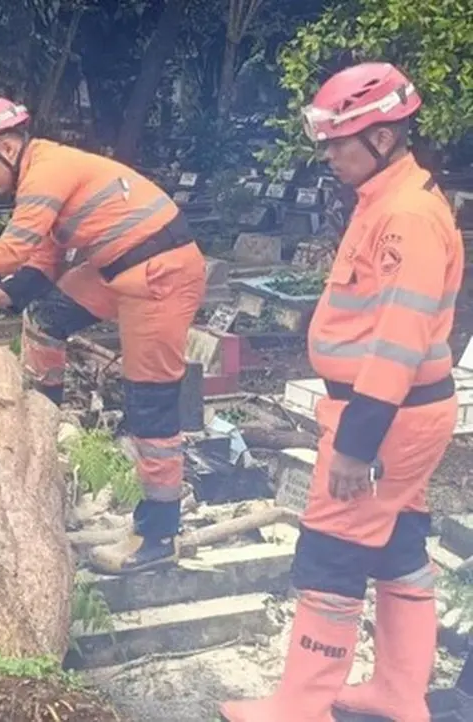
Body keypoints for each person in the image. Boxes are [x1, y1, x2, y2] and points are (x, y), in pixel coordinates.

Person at [220, 62, 461, 722]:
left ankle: (301, 707)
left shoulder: (406, 216)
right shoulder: (387, 201)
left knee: (331, 546)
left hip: (385, 416)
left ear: (382, 138)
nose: (328, 155)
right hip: (397, 411)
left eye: (338, 142)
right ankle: (398, 692)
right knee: (397, 542)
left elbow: (398, 341)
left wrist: (357, 443)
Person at [0, 98, 206, 575]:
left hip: (159, 272)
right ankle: (43, 424)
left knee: (149, 405)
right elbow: (42, 265)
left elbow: (14, 248)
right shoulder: (43, 179)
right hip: (117, 267)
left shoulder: (46, 170)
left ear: (6, 145)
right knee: (44, 318)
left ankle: (159, 532)